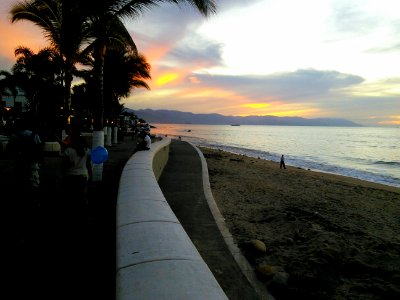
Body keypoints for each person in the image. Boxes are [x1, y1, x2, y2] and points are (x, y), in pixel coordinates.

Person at [61, 129, 92, 213]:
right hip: (83, 176)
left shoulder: (68, 151)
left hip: (70, 176)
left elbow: (64, 166)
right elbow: (88, 165)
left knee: (70, 197)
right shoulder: (86, 151)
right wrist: (91, 176)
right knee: (81, 196)